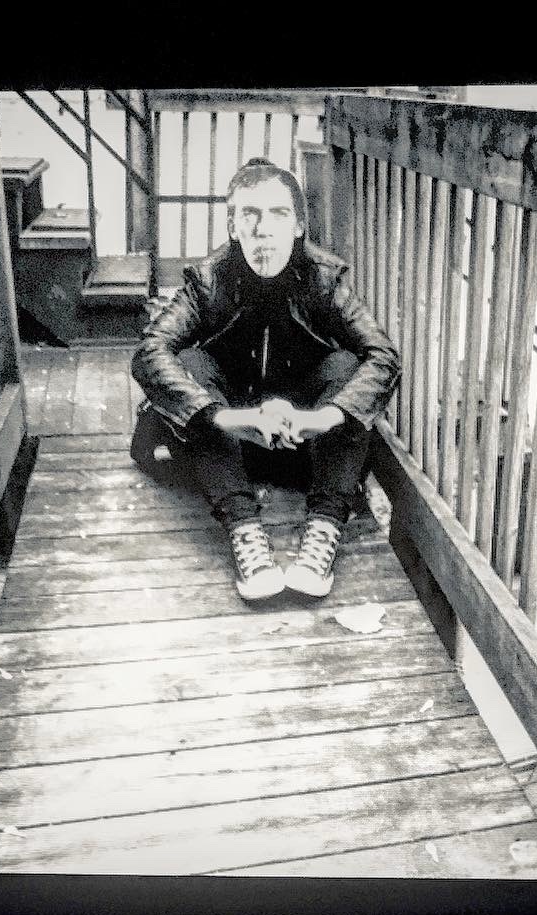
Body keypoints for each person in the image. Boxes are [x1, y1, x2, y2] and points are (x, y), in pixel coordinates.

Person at [130, 159, 400, 604]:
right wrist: (227, 418)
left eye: (278, 213)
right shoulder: (207, 281)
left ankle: (323, 530)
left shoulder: (324, 279)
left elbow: (383, 355)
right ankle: (245, 533)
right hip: (230, 450)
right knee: (192, 362)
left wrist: (324, 418)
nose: (263, 230)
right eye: (249, 215)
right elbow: (149, 351)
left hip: (304, 444)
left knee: (346, 365)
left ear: (298, 226)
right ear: (233, 227)